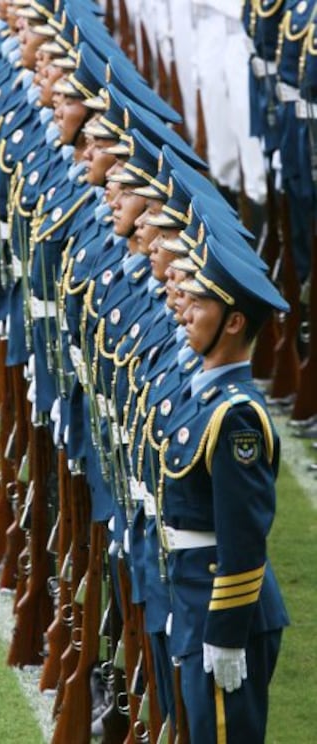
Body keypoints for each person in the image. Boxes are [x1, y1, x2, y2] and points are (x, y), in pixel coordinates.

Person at [156, 234, 290, 743]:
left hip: (222, 609)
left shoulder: (236, 418)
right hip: (192, 597)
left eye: (200, 303)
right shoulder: (206, 397)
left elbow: (244, 534)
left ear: (234, 322)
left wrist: (227, 632)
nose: (186, 312)